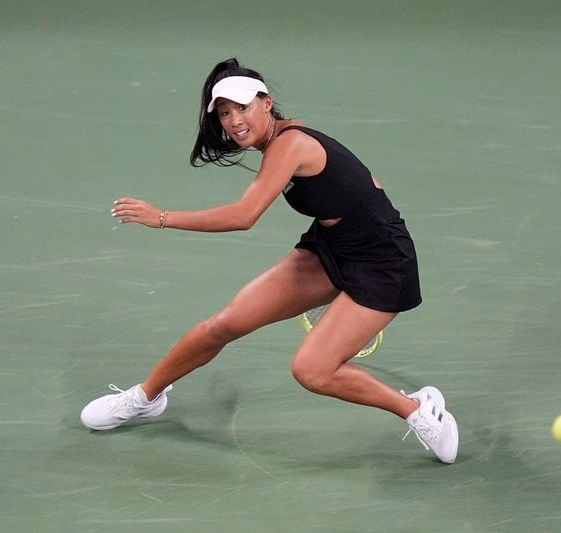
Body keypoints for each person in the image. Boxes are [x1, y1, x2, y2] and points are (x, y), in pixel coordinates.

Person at [80, 58, 458, 463]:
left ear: (267, 103)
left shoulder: (291, 144)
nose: (234, 120)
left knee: (312, 370)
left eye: (242, 108)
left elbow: (244, 216)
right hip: (332, 246)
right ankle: (144, 397)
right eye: (224, 113)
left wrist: (162, 218)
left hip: (383, 263)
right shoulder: (279, 142)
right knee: (223, 325)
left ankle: (419, 410)